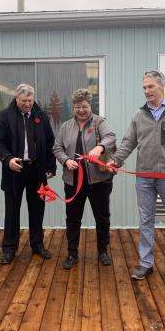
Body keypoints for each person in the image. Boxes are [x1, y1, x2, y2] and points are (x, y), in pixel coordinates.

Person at [108, 70, 165, 281]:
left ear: (161, 86)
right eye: (144, 88)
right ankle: (146, 263)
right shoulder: (139, 115)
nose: (147, 91)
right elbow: (129, 142)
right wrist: (116, 160)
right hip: (144, 177)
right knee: (146, 221)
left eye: (150, 87)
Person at [0, 83, 56, 264]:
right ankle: (9, 248)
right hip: (15, 170)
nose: (28, 104)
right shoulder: (5, 117)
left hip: (36, 170)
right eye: (24, 101)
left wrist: (50, 166)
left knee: (37, 210)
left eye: (30, 100)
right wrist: (7, 159)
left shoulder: (41, 116)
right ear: (16, 99)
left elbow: (50, 142)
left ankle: (37, 244)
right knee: (12, 210)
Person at [53, 89, 116, 269]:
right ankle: (72, 253)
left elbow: (110, 137)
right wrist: (66, 161)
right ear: (73, 107)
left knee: (102, 216)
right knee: (73, 217)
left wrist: (100, 148)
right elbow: (57, 148)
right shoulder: (65, 126)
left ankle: (102, 251)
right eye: (78, 107)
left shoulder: (99, 122)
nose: (81, 110)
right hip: (73, 180)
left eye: (85, 106)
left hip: (99, 180)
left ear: (90, 106)